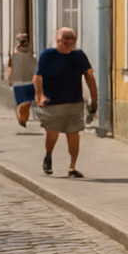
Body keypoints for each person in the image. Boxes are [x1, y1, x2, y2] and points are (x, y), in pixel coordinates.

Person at [32, 27, 97, 177]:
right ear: (57, 40)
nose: (68, 45)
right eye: (65, 42)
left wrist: (94, 100)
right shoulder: (48, 55)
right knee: (52, 133)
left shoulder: (79, 56)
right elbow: (38, 77)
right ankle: (48, 155)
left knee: (73, 134)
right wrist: (39, 95)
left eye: (71, 42)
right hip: (52, 102)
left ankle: (72, 167)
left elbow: (89, 76)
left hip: (74, 101)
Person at [4, 32, 36, 127]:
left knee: (28, 103)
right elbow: (10, 66)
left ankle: (23, 119)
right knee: (23, 103)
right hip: (18, 82)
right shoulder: (14, 54)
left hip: (30, 80)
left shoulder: (30, 51)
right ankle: (21, 119)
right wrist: (8, 77)